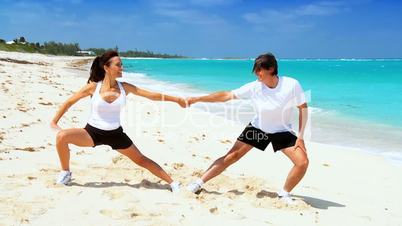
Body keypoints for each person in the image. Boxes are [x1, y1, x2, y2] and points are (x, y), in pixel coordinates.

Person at [50, 50, 186, 192]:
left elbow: (152, 95)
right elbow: (69, 102)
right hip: (92, 133)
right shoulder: (93, 87)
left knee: (141, 159)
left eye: (122, 65)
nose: (122, 67)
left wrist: (176, 99)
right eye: (118, 65)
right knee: (62, 137)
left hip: (116, 135)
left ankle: (172, 183)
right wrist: (54, 121)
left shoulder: (125, 87)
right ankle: (65, 172)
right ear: (106, 68)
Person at [186, 53, 309, 202]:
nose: (256, 74)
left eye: (259, 70)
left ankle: (284, 193)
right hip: (258, 129)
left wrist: (300, 138)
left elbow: (303, 108)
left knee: (302, 162)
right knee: (231, 156)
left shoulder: (291, 85)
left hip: (282, 131)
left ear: (271, 69)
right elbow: (226, 96)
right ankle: (198, 183)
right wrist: (198, 99)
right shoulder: (254, 87)